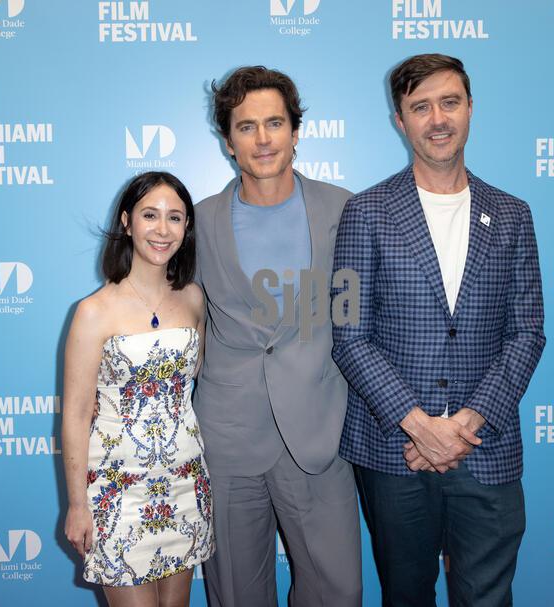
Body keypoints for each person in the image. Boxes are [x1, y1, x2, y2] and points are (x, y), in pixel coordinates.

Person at [332, 53, 546, 606]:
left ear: (470, 109)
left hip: (487, 447)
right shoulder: (365, 212)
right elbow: (348, 335)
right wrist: (420, 427)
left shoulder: (513, 214)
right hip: (393, 452)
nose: (437, 119)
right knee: (406, 596)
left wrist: (462, 427)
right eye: (420, 107)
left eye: (449, 102)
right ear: (400, 122)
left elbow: (527, 332)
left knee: (487, 598)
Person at [193, 66, 362, 606]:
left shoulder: (346, 209)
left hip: (319, 436)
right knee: (237, 595)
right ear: (227, 140)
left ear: (295, 131)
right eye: (246, 126)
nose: (262, 139)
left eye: (274, 123)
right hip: (228, 438)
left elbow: (367, 318)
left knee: (338, 592)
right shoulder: (196, 223)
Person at [62, 171, 213, 607]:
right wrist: (77, 505)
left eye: (175, 218)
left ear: (187, 229)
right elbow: (74, 414)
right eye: (150, 215)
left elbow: (191, 385)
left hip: (184, 485)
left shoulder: (194, 299)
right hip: (117, 491)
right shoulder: (93, 312)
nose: (162, 230)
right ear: (127, 221)